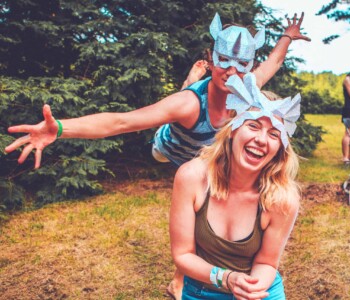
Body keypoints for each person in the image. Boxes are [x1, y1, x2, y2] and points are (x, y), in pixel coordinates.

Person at [4, 12, 311, 300]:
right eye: (224, 61)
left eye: (242, 64)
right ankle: (189, 85)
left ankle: (183, 275)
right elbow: (122, 122)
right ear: (211, 57)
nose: (233, 71)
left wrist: (287, 35)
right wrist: (60, 128)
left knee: (203, 217)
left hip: (221, 155)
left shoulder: (248, 94)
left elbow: (273, 61)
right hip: (175, 150)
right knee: (187, 181)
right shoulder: (188, 106)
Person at [170, 72, 301, 299]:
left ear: (280, 148)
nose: (261, 139)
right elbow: (182, 255)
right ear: (233, 131)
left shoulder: (282, 199)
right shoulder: (192, 176)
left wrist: (250, 289)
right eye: (253, 126)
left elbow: (267, 262)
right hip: (203, 288)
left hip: (258, 289)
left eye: (273, 134)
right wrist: (228, 279)